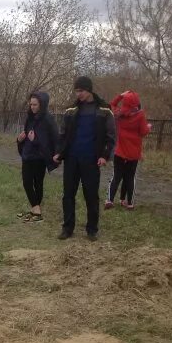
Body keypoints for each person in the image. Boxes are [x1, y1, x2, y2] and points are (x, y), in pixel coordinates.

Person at [53, 76, 115, 241]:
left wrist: (104, 156)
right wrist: (59, 152)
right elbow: (62, 134)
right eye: (76, 91)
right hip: (72, 159)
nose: (78, 94)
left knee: (91, 195)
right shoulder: (71, 111)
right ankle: (67, 228)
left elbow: (111, 137)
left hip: (91, 160)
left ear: (89, 90)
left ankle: (92, 229)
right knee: (68, 195)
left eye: (81, 91)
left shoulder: (104, 110)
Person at [16, 91, 59, 222]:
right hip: (27, 155)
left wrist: (36, 140)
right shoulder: (29, 118)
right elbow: (26, 135)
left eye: (35, 105)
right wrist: (19, 139)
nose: (32, 107)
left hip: (40, 157)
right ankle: (36, 209)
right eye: (31, 105)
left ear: (42, 104)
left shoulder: (48, 119)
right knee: (27, 182)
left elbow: (53, 139)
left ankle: (35, 212)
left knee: (38, 184)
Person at [106, 90, 152, 210]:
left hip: (120, 151)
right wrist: (148, 127)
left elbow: (112, 104)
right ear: (136, 103)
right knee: (130, 177)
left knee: (116, 176)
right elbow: (143, 132)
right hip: (133, 153)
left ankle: (109, 200)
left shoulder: (119, 114)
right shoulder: (140, 115)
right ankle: (129, 203)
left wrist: (121, 95)